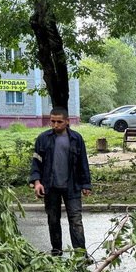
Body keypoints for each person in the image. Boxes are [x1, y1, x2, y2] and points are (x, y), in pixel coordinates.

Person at [30, 107, 92, 258]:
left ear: (67, 121)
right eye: (53, 121)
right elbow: (36, 163)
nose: (55, 125)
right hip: (50, 187)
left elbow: (83, 162)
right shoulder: (43, 138)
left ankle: (80, 254)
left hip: (72, 186)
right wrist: (37, 183)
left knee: (76, 220)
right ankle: (56, 252)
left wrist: (86, 184)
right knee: (53, 220)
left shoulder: (76, 138)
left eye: (59, 122)